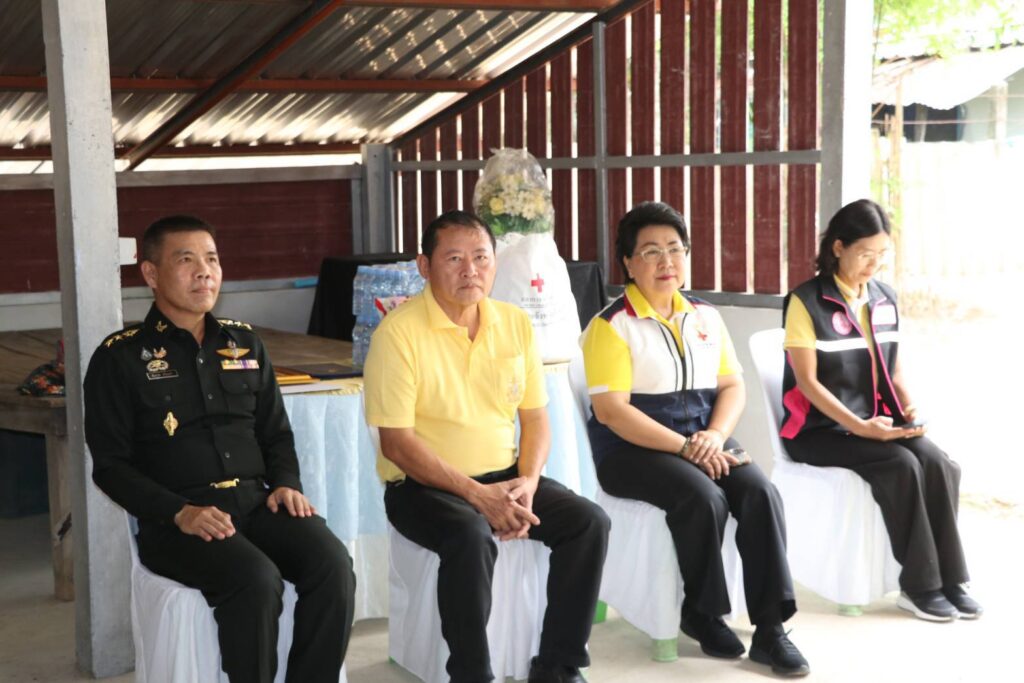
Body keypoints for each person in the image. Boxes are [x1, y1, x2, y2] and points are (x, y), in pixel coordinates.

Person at [84, 215, 355, 683]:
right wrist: (179, 511)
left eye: (211, 259)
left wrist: (286, 483)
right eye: (186, 260)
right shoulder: (120, 357)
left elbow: (276, 433)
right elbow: (110, 466)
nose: (204, 272)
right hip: (179, 522)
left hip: (257, 503)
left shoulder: (244, 342)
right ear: (151, 273)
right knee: (256, 579)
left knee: (333, 565)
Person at [363, 210, 610, 683]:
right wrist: (478, 496)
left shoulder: (514, 323)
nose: (470, 271)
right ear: (424, 265)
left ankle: (557, 665)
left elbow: (535, 419)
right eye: (454, 259)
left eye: (481, 257)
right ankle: (471, 675)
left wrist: (528, 482)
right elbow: (397, 445)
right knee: (470, 534)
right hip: (422, 488)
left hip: (504, 477)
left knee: (588, 521)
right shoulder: (398, 334)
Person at [581, 202, 809, 677]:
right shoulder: (611, 325)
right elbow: (612, 412)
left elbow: (732, 386)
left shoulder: (705, 315)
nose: (666, 261)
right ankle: (702, 613)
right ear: (628, 263)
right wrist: (686, 448)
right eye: (650, 251)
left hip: (703, 437)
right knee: (703, 497)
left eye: (675, 249)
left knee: (760, 493)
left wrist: (715, 436)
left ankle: (771, 629)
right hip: (630, 449)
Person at [781, 198, 981, 622]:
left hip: (876, 423)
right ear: (838, 247)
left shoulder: (884, 297)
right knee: (901, 465)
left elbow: (895, 368)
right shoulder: (806, 301)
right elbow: (808, 384)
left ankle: (950, 579)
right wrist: (860, 426)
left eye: (881, 255)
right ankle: (919, 587)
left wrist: (909, 407)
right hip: (819, 431)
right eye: (865, 254)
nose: (874, 265)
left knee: (939, 463)